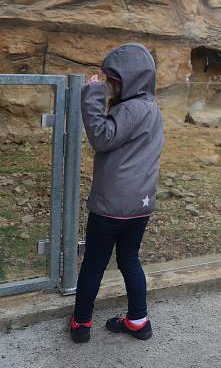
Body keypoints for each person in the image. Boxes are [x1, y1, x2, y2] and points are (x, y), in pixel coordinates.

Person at [69, 43, 164, 344]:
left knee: (95, 262)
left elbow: (102, 136)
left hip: (111, 207)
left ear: (129, 81)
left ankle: (81, 323)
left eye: (113, 81)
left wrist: (93, 94)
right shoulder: (151, 108)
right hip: (140, 205)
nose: (110, 86)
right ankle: (138, 320)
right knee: (129, 260)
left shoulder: (129, 109)